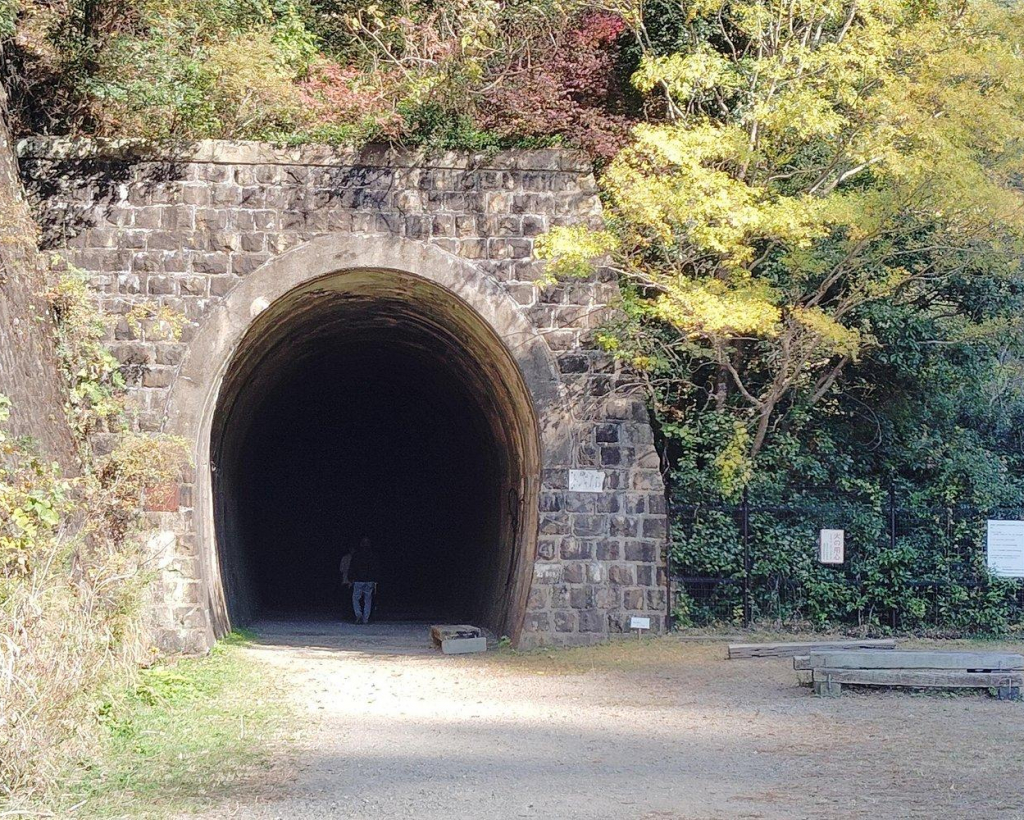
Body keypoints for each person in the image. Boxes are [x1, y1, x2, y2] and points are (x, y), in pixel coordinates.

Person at [340, 535, 380, 624]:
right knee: (368, 600)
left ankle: (358, 614)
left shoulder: (357, 555)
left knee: (355, 598)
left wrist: (351, 578)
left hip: (358, 580)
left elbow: (352, 567)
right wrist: (375, 580)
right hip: (369, 580)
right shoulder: (373, 555)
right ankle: (365, 618)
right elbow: (376, 568)